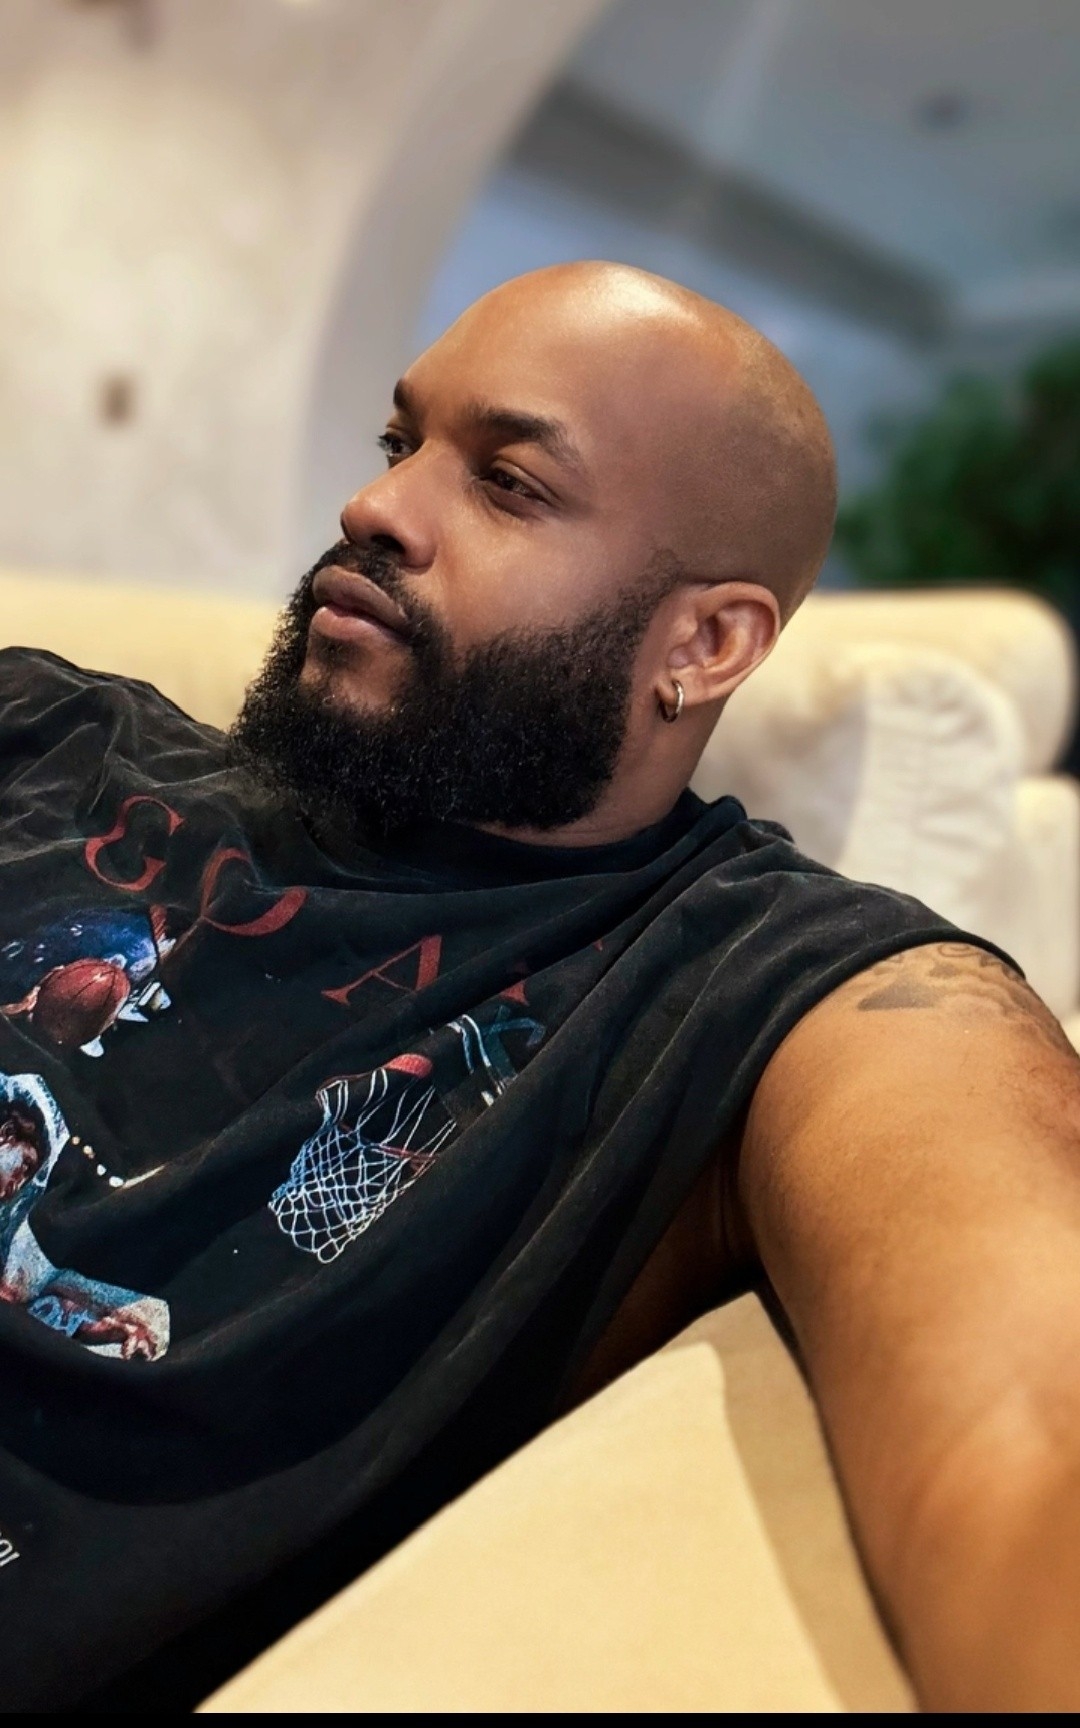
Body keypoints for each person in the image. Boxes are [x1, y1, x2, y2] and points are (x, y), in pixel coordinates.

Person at [0, 262, 1075, 1713]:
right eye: (401, 443)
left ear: (705, 644)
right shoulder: (49, 730)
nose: (374, 507)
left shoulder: (762, 990)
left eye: (507, 482)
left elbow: (1033, 1427)